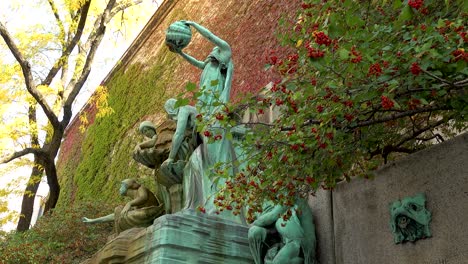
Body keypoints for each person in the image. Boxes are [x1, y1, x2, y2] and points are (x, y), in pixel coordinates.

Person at [173, 20, 234, 115]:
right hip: (205, 82)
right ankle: (205, 120)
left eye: (215, 49)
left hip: (215, 81)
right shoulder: (209, 62)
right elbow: (196, 63)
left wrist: (193, 24)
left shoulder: (226, 50)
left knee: (212, 101)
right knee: (203, 102)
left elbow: (209, 35)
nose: (213, 51)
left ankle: (213, 118)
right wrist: (181, 53)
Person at [82, 179, 164, 234]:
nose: (120, 188)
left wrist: (129, 204)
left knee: (119, 210)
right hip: (143, 215)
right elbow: (115, 216)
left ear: (128, 186)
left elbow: (143, 197)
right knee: (118, 211)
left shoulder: (140, 188)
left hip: (151, 212)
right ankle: (121, 234)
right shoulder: (134, 202)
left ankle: (121, 234)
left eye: (122, 185)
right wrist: (93, 221)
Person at [248, 198, 317, 264]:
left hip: (301, 244)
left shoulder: (288, 197)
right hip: (289, 242)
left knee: (278, 262)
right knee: (254, 232)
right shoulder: (277, 218)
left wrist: (254, 223)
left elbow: (270, 217)